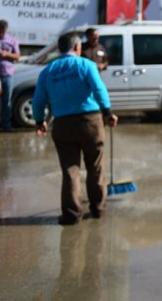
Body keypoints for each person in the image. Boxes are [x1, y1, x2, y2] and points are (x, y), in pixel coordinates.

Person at [33, 32, 118, 225]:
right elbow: (99, 89)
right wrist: (107, 112)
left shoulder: (47, 71)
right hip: (90, 122)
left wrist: (40, 121)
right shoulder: (86, 65)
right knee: (95, 166)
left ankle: (71, 214)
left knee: (70, 170)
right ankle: (97, 209)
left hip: (62, 124)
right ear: (77, 47)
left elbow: (38, 101)